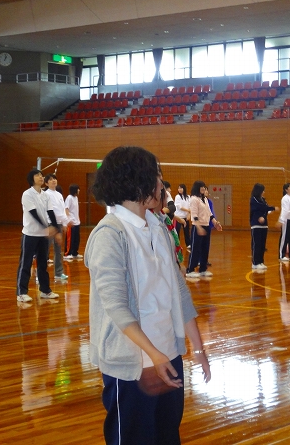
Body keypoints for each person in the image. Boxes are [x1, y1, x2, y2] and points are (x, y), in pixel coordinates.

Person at [84, 146, 210, 444]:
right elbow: (116, 306)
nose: (161, 183)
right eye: (157, 175)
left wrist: (198, 347)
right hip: (132, 365)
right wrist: (152, 355)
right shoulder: (109, 234)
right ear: (137, 180)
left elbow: (179, 291)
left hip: (168, 355)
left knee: (167, 435)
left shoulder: (158, 227)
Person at [16, 169, 62, 303]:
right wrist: (46, 227)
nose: (41, 177)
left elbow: (51, 212)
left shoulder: (45, 195)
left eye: (41, 175)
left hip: (43, 235)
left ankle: (45, 290)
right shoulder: (27, 194)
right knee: (26, 263)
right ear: (32, 179)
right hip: (30, 234)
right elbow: (34, 213)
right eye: (37, 175)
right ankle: (21, 292)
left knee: (43, 263)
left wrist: (56, 230)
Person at [185, 181, 222, 278]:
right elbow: (194, 215)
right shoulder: (194, 199)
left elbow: (210, 214)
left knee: (205, 248)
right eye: (201, 187)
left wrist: (215, 223)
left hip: (206, 226)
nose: (203, 188)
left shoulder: (205, 199)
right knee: (195, 249)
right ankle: (190, 270)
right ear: (197, 188)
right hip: (197, 227)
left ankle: (203, 269)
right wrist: (198, 227)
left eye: (204, 187)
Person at [44, 173, 70, 281]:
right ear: (46, 183)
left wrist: (64, 224)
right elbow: (51, 211)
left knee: (58, 250)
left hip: (58, 223)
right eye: (50, 179)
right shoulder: (46, 194)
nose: (53, 180)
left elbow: (62, 210)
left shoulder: (59, 195)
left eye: (54, 178)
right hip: (49, 224)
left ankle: (58, 273)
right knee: (45, 250)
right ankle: (41, 274)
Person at [250, 183, 278, 270]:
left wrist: (266, 213)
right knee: (257, 244)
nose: (264, 192)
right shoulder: (253, 200)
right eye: (262, 190)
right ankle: (255, 262)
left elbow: (265, 209)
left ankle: (261, 261)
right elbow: (261, 208)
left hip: (264, 225)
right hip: (256, 225)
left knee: (262, 245)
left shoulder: (263, 200)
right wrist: (272, 208)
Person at [64, 184, 82, 260]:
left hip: (77, 222)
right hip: (71, 222)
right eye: (78, 189)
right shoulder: (69, 198)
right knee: (70, 239)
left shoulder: (76, 198)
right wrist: (69, 219)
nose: (79, 190)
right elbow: (66, 209)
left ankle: (75, 252)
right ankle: (67, 254)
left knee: (76, 239)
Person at [174, 184, 191, 250]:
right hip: (178, 217)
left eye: (181, 188)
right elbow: (179, 207)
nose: (180, 189)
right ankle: (177, 245)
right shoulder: (177, 196)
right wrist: (188, 210)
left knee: (187, 231)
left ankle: (188, 244)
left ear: (184, 189)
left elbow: (190, 206)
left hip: (186, 217)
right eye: (179, 188)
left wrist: (189, 214)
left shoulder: (188, 197)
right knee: (177, 231)